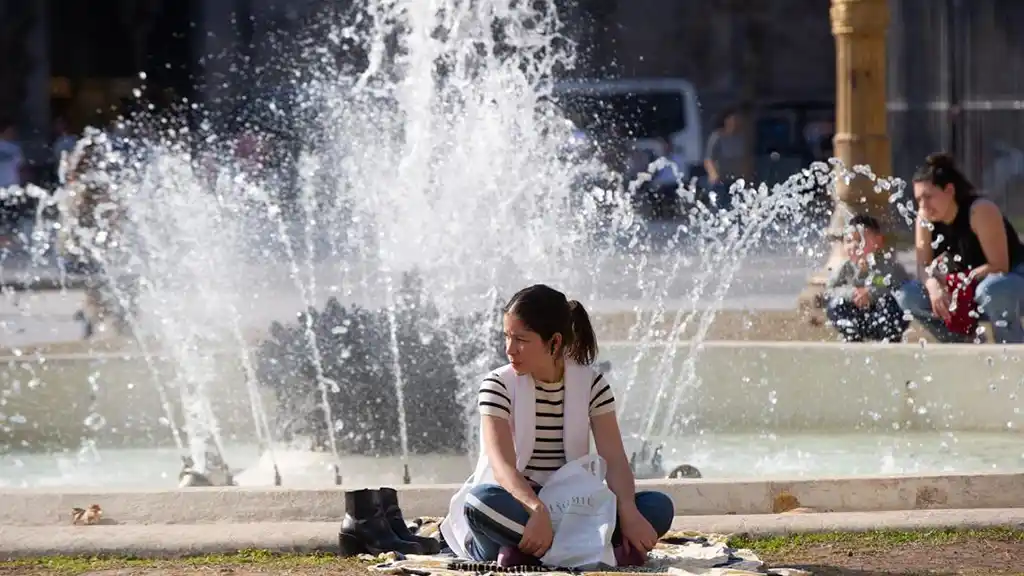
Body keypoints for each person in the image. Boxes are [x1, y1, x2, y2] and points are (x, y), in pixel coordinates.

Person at [440, 285, 674, 567]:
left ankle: (526, 553)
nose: (509, 349)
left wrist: (627, 510)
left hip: (572, 507)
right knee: (479, 503)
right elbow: (502, 467)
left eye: (521, 340)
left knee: (658, 507)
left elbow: (614, 459)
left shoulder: (592, 384)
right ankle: (590, 551)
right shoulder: (497, 385)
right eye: (507, 337)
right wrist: (536, 509)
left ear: (554, 342)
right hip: (518, 504)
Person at [897, 153, 1024, 343]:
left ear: (949, 190)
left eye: (928, 197)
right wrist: (934, 288)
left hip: (1009, 284)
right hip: (966, 290)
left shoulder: (979, 210)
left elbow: (999, 266)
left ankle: (1012, 354)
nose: (923, 206)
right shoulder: (924, 218)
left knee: (991, 290)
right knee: (907, 295)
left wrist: (957, 282)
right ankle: (962, 342)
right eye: (918, 200)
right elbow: (923, 267)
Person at [825, 215, 911, 342]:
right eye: (848, 241)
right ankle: (852, 334)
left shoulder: (888, 266)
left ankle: (890, 336)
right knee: (835, 305)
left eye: (860, 240)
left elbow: (900, 287)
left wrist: (871, 293)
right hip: (858, 314)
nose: (854, 245)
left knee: (895, 307)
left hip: (881, 315)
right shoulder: (845, 268)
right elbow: (830, 289)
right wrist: (852, 293)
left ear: (878, 242)